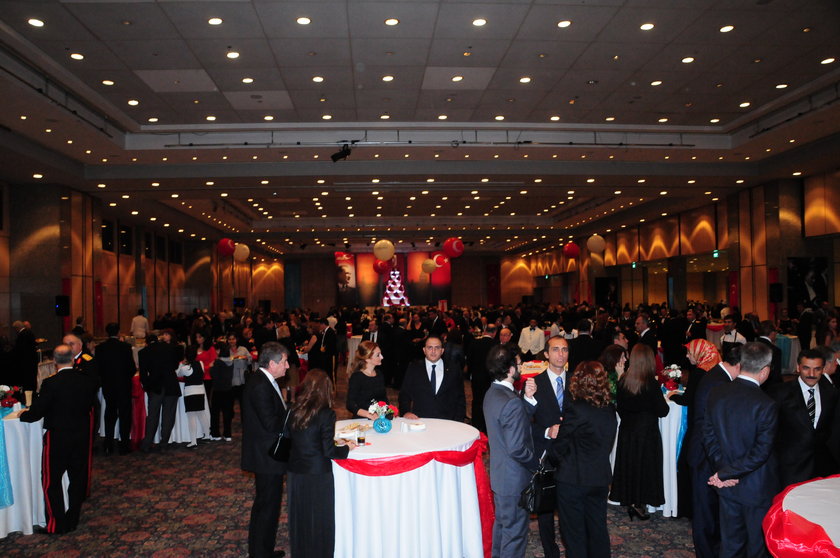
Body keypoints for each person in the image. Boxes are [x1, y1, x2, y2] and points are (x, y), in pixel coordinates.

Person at [703, 342, 779, 558]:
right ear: (765, 371)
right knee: (757, 548)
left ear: (741, 364)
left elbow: (708, 436)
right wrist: (726, 474)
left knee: (730, 545)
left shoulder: (717, 392)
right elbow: (760, 452)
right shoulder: (766, 404)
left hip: (726, 486)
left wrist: (723, 471)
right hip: (756, 488)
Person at [20, 344, 99, 534]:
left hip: (58, 438)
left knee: (51, 481)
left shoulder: (51, 383)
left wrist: (23, 415)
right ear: (72, 359)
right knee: (77, 479)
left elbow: (37, 412)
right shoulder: (86, 380)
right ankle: (73, 519)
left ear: (55, 362)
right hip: (81, 436)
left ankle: (57, 524)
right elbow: (91, 405)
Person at [548, 361, 617, 558]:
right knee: (598, 531)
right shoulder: (610, 409)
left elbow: (559, 447)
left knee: (574, 536)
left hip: (573, 480)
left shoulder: (576, 409)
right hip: (599, 479)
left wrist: (554, 460)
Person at [287, 369, 355, 558]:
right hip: (318, 473)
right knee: (319, 518)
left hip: (295, 471)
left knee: (300, 516)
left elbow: (289, 439)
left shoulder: (293, 409)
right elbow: (329, 451)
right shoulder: (326, 414)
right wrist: (347, 447)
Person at [483, 344, 538, 558]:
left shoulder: (492, 392)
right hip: (514, 480)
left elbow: (510, 421)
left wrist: (527, 400)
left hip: (500, 475)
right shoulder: (510, 401)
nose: (521, 367)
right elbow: (517, 448)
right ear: (511, 369)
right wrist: (537, 465)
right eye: (518, 363)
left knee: (503, 528)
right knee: (514, 535)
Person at [686, 345, 741, 558]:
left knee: (709, 512)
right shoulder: (717, 382)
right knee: (705, 514)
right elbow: (712, 427)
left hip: (706, 454)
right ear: (740, 365)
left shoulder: (717, 376)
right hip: (704, 456)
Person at [609, 343, 669, 520]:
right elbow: (663, 411)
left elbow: (620, 409)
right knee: (645, 468)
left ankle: (630, 501)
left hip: (628, 431)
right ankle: (639, 503)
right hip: (647, 432)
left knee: (630, 465)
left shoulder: (624, 381)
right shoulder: (651, 383)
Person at [242, 342, 291, 558]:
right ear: (272, 363)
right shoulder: (260, 385)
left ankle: (263, 551)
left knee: (268, 506)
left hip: (267, 454)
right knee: (267, 507)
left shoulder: (264, 381)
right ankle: (260, 553)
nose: (287, 366)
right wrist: (293, 416)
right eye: (284, 362)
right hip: (266, 456)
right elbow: (271, 423)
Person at [768, 349, 839, 487]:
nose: (811, 374)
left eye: (817, 369)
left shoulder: (831, 393)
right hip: (789, 468)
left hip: (822, 468)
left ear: (823, 369)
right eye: (806, 368)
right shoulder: (779, 393)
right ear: (798, 367)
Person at [528, 335, 569, 558]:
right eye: (555, 349)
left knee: (570, 504)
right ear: (546, 354)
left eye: (564, 349)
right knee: (546, 508)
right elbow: (525, 424)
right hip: (546, 452)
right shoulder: (535, 384)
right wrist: (546, 431)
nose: (560, 354)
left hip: (571, 453)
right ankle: (550, 551)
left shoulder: (577, 381)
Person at [399, 335, 466, 421]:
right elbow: (404, 394)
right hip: (420, 420)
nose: (433, 351)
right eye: (430, 347)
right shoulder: (414, 368)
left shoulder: (454, 369)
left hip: (447, 421)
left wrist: (458, 420)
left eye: (437, 348)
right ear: (424, 350)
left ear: (442, 350)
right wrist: (405, 412)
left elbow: (460, 398)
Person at [95, 322, 136, 455]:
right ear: (118, 332)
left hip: (108, 386)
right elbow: (132, 368)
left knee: (109, 415)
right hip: (123, 386)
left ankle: (108, 444)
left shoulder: (100, 348)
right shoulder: (125, 347)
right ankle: (124, 445)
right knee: (125, 415)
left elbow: (98, 369)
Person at [138, 331, 181, 453]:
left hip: (155, 387)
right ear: (157, 340)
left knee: (152, 416)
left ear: (146, 342)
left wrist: (147, 388)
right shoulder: (169, 348)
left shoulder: (143, 352)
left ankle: (147, 443)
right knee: (168, 416)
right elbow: (175, 365)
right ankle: (164, 444)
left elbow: (143, 375)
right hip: (171, 385)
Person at [465, 324, 497, 432]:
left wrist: (470, 373)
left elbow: (469, 360)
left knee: (476, 401)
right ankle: (487, 425)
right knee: (489, 401)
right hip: (490, 379)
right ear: (494, 333)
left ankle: (476, 424)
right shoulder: (496, 345)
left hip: (477, 377)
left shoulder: (474, 342)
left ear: (484, 331)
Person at [345, 340, 388, 420]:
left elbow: (384, 398)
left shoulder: (379, 374)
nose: (382, 357)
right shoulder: (357, 377)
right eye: (378, 355)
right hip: (362, 419)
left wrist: (387, 411)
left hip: (378, 417)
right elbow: (350, 404)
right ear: (367, 359)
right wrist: (369, 414)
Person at [756, 320, 783, 388]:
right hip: (768, 387)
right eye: (776, 331)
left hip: (752, 385)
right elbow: (776, 375)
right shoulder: (775, 350)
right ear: (772, 333)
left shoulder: (749, 346)